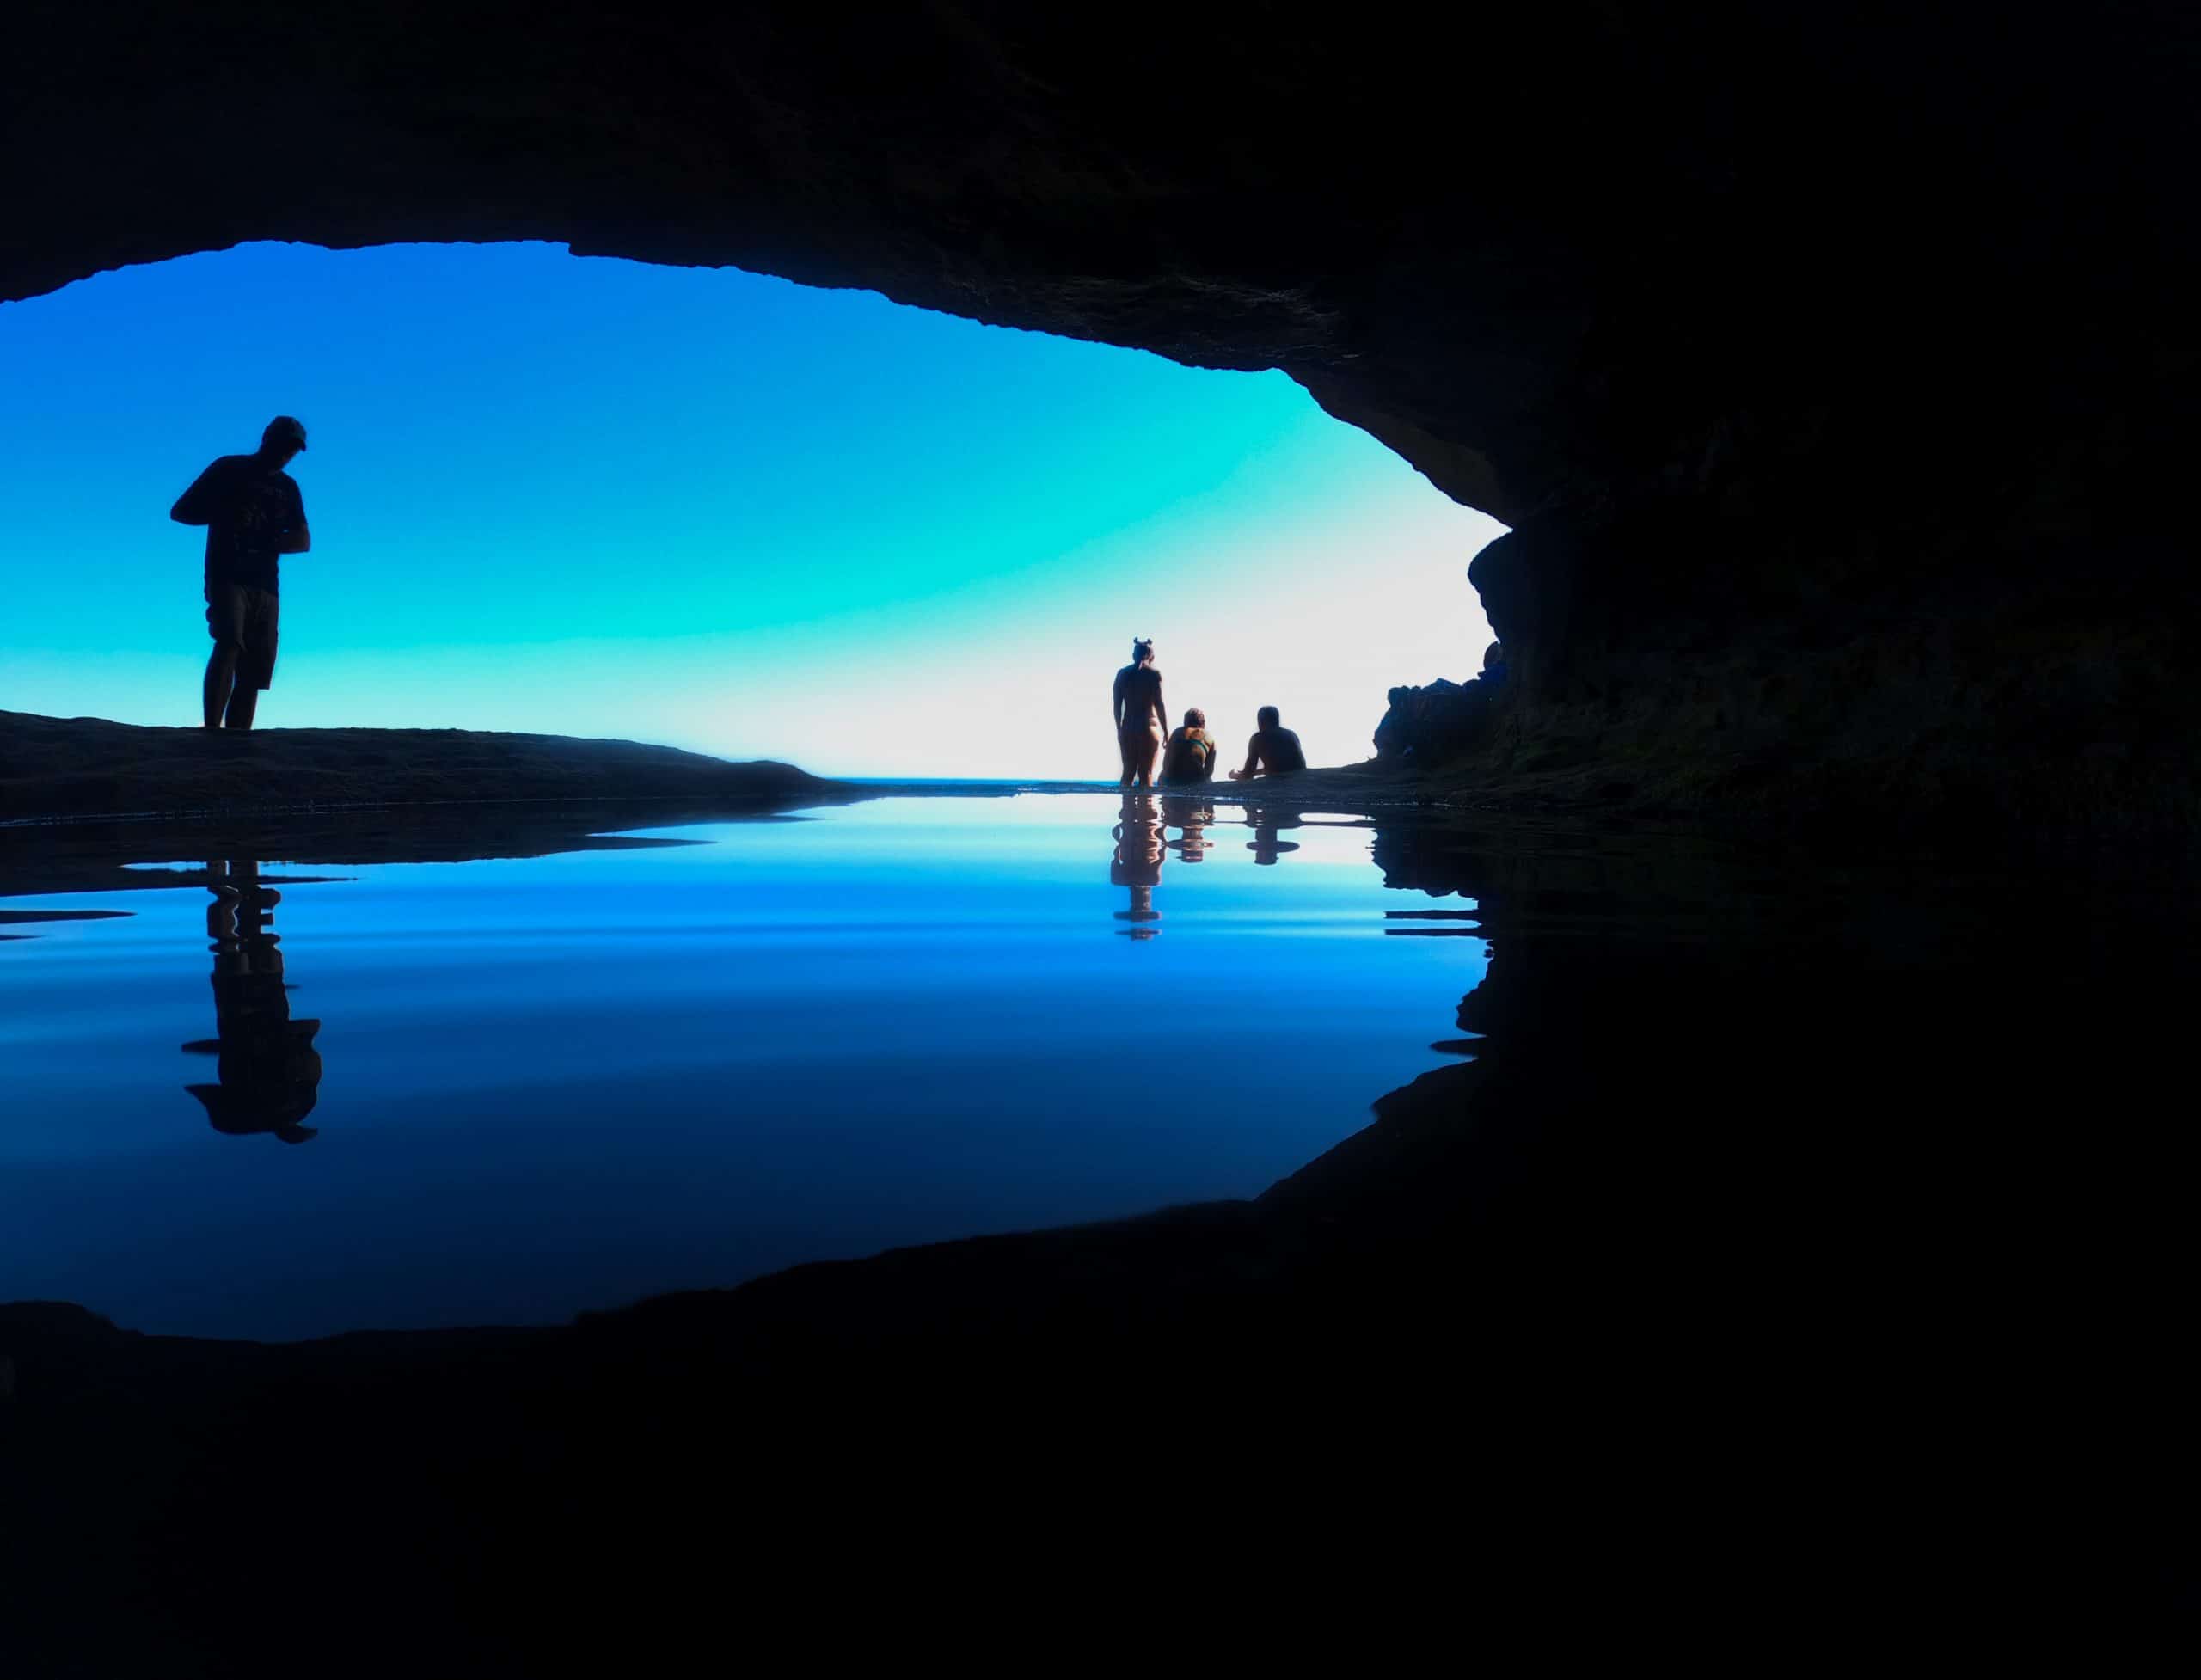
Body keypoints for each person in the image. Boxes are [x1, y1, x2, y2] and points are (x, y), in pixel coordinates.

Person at [172, 416, 312, 732]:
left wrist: (271, 540)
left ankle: (238, 739)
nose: (286, 454)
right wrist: (225, 513)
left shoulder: (288, 488)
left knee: (255, 667)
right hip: (227, 574)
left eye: (292, 449)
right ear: (266, 438)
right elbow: (181, 511)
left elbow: (304, 539)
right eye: (283, 444)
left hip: (266, 584)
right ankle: (212, 729)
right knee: (230, 643)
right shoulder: (229, 469)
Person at [1112, 637, 1168, 788]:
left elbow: (1117, 705)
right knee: (1146, 773)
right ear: (1151, 656)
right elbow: (1159, 704)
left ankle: (1126, 808)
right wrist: (1166, 731)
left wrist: (1119, 729)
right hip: (1148, 727)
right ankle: (1146, 809)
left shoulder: (1122, 674)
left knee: (1128, 772)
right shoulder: (1154, 675)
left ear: (1133, 656)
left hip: (1128, 728)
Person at [1229, 705, 1307, 780]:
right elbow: (1283, 766)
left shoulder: (1258, 738)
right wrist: (1254, 772)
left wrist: (1234, 775)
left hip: (1280, 782)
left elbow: (1247, 776)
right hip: (1299, 777)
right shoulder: (1291, 734)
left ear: (1261, 721)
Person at [1158, 707, 1217, 785]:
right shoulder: (1208, 736)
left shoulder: (1176, 733)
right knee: (1208, 779)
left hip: (1169, 780)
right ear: (1203, 723)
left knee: (1162, 774)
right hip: (1193, 781)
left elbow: (1165, 764)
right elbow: (1209, 771)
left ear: (1185, 722)